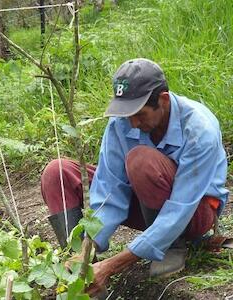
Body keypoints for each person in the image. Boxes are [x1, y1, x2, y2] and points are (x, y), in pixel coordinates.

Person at [41, 58, 229, 296]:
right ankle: (79, 267)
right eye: (127, 114)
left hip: (194, 214)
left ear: (163, 100)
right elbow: (110, 190)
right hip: (144, 203)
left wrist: (112, 266)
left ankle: (171, 246)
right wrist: (89, 248)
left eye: (139, 114)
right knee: (57, 172)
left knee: (141, 161)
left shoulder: (199, 129)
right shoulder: (123, 122)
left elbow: (181, 207)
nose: (132, 123)